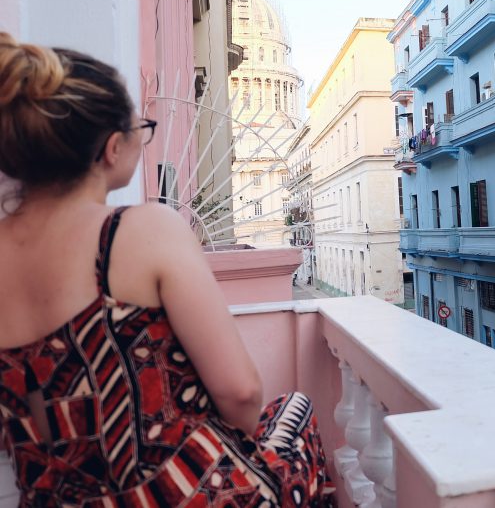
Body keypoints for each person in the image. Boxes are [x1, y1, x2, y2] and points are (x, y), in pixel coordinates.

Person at [0, 33, 332, 506]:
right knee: (293, 413)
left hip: (54, 499)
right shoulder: (140, 230)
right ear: (113, 147)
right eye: (141, 127)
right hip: (173, 491)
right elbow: (240, 394)